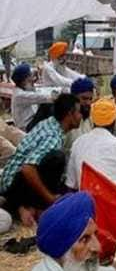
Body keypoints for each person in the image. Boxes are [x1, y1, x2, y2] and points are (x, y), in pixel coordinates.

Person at [0, 94, 81, 226]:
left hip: (11, 179)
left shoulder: (50, 123)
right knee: (57, 159)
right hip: (13, 185)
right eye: (78, 112)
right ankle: (38, 206)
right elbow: (28, 169)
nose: (80, 116)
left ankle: (26, 206)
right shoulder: (53, 137)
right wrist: (50, 198)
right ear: (69, 115)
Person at [10, 62, 55, 131]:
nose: (31, 77)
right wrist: (53, 97)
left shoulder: (22, 88)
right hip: (27, 126)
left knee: (46, 104)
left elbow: (34, 93)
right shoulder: (19, 95)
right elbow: (38, 97)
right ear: (24, 80)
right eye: (29, 76)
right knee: (47, 105)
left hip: (30, 121)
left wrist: (32, 82)